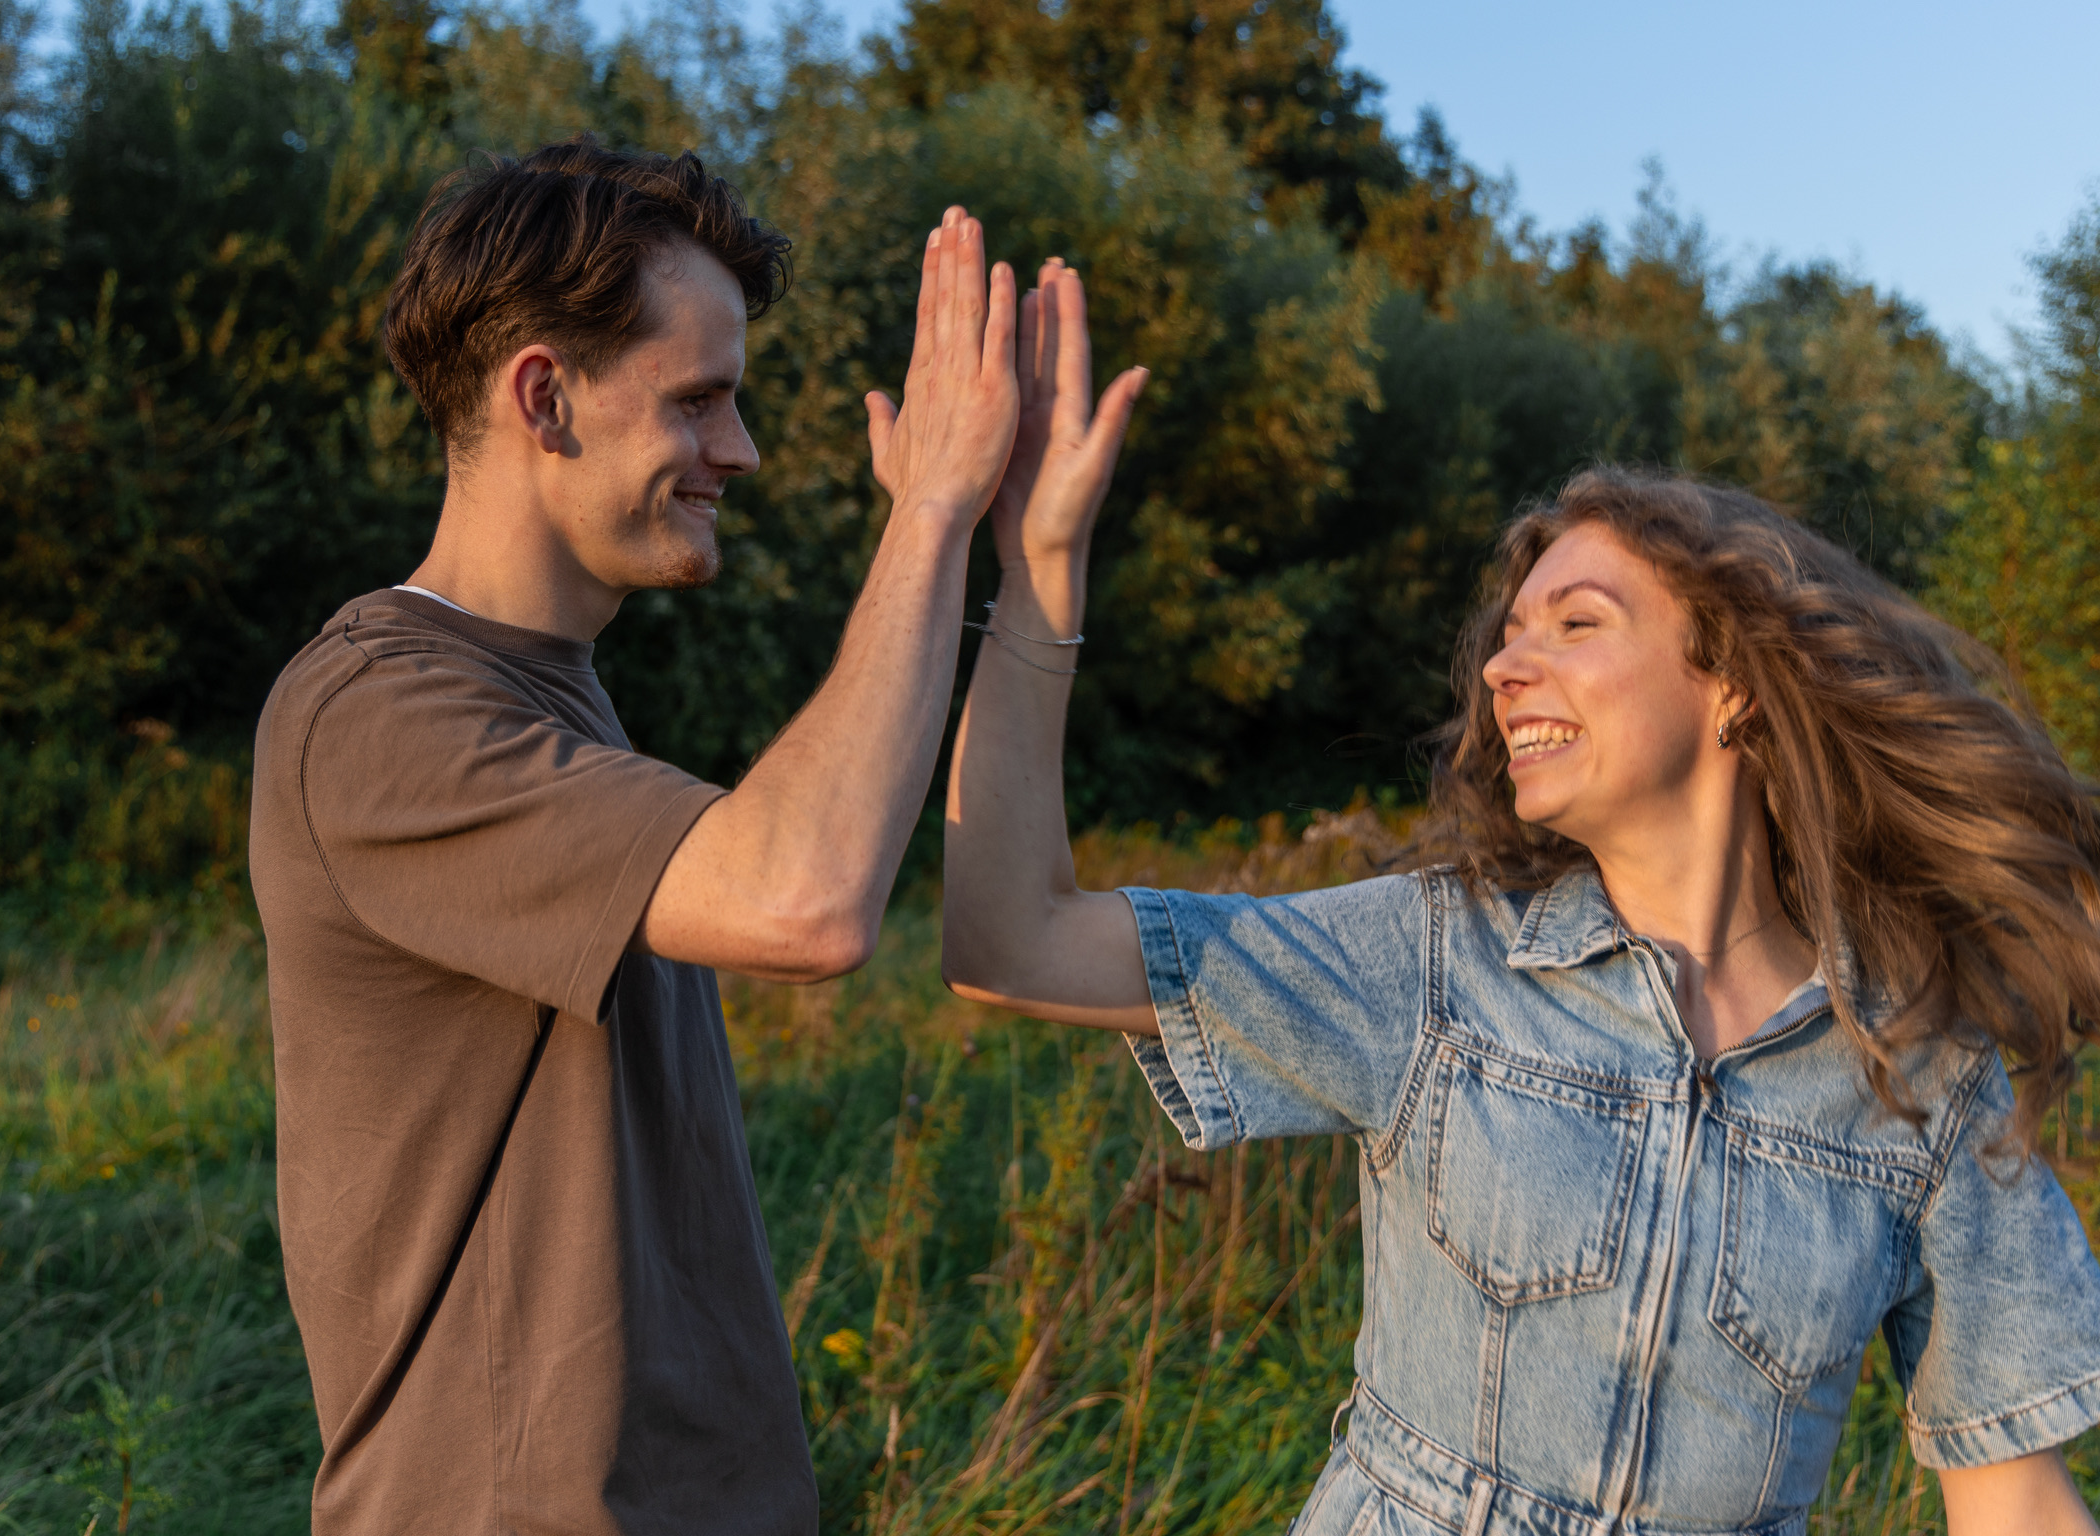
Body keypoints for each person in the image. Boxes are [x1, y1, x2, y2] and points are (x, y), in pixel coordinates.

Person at [941, 263, 2100, 1534]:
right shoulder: (1434, 957)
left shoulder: (1919, 1062)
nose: (1505, 663)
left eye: (1577, 624)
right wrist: (1038, 565)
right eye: (1511, 631)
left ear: (1735, 688)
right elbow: (1011, 941)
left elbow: (2018, 1507)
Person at [250, 139, 1023, 1533]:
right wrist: (932, 510)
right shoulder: (374, 716)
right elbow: (808, 899)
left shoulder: (554, 697)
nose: (742, 449)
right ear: (544, 398)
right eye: (699, 401)